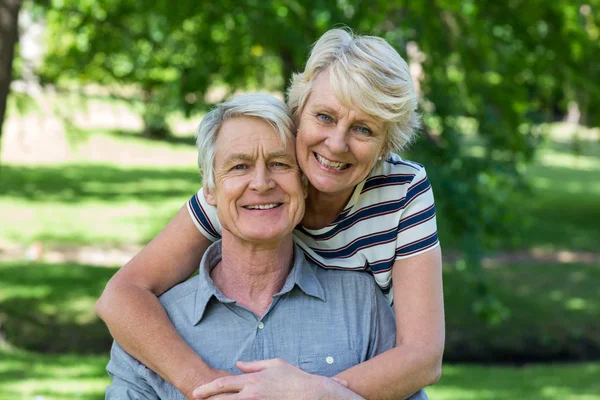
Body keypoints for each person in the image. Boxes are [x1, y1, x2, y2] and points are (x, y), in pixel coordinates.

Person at [96, 28, 444, 400]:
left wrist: (314, 393)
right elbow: (121, 295)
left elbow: (422, 355)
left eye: (363, 129)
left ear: (384, 146)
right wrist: (209, 387)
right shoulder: (248, 192)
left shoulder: (400, 190)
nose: (336, 144)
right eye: (324, 117)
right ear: (298, 113)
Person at [105, 93, 401, 399]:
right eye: (239, 167)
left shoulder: (362, 306)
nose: (261, 183)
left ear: (303, 182)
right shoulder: (152, 329)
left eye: (279, 163)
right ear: (209, 187)